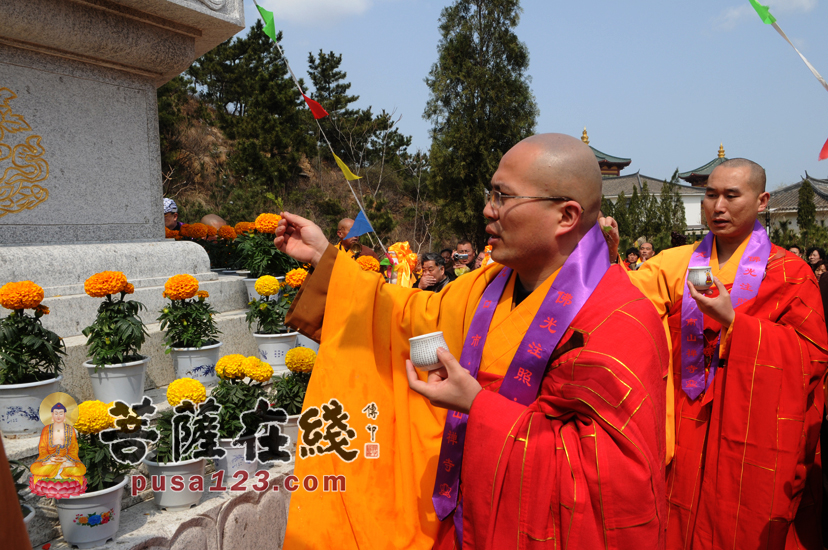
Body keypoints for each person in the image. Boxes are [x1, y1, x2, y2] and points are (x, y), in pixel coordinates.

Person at [275, 133, 667, 549]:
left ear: (566, 216)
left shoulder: (620, 319)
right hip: (464, 521)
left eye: (502, 196)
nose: (487, 210)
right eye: (490, 193)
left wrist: (478, 407)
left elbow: (614, 487)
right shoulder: (487, 286)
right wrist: (324, 257)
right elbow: (408, 318)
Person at [601, 158, 828, 549]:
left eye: (731, 195)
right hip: (686, 421)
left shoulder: (790, 273)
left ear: (762, 201)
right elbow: (622, 306)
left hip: (751, 424)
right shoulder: (674, 263)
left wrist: (737, 324)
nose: (718, 206)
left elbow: (812, 356)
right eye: (710, 195)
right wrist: (606, 255)